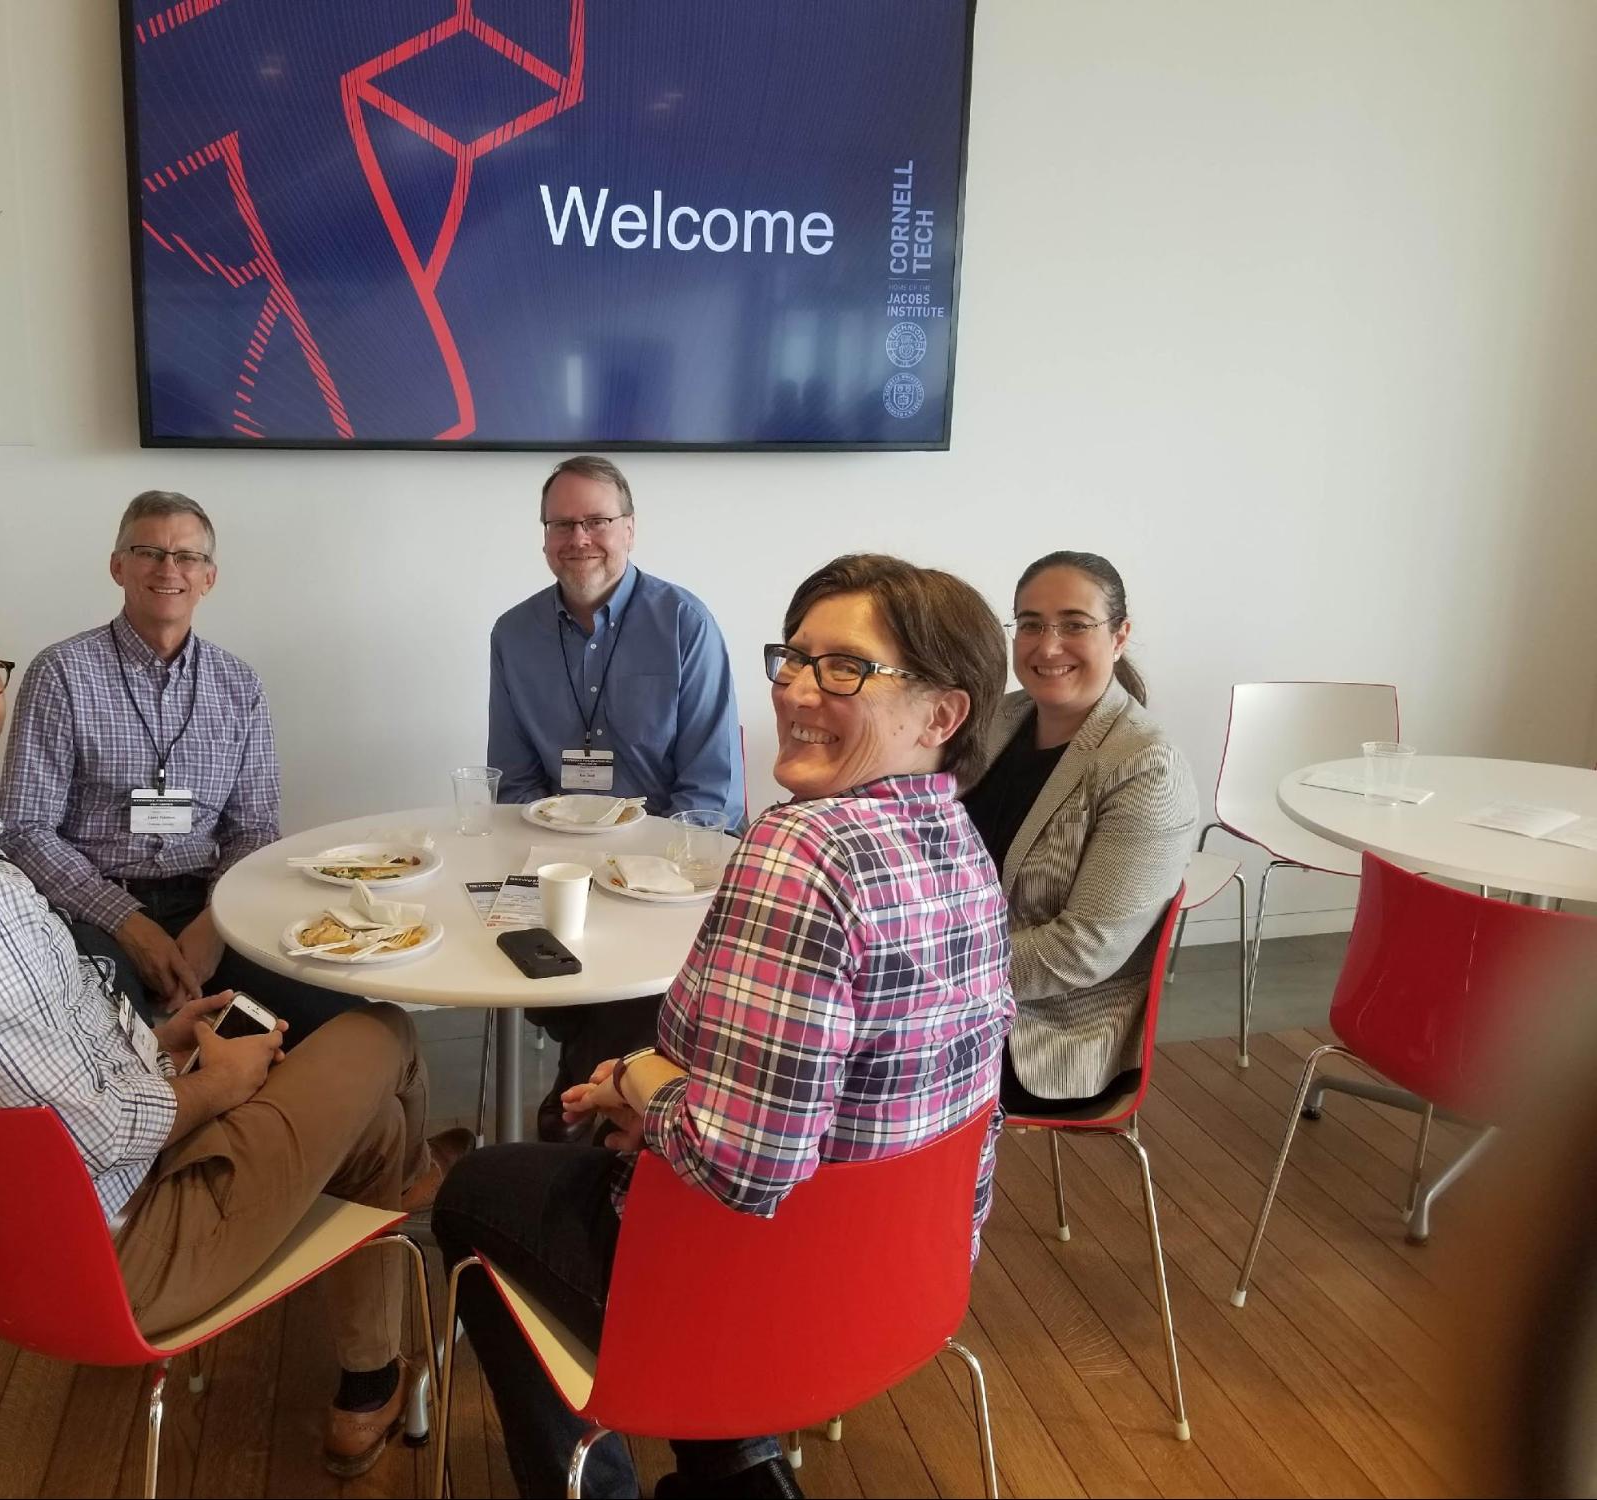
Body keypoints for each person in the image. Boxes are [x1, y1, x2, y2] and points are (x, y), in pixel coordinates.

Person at [0, 568, 469, 1477]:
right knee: (379, 1031)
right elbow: (94, 1129)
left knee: (364, 1117)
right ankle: (405, 1246)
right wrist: (216, 1084)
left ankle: (369, 1374)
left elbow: (25, 1063)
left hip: (3, 1229)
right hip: (117, 1247)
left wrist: (155, 1040)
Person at [437, 554, 1015, 1499]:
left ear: (940, 716)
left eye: (845, 669)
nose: (794, 687)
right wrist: (657, 1093)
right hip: (906, 1284)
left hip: (763, 1291)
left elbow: (744, 1168)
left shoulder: (801, 847)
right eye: (793, 658)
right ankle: (737, 1468)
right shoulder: (958, 843)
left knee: (473, 1188)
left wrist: (641, 1085)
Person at [0, 490, 351, 1043]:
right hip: (89, 908)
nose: (169, 569)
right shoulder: (62, 673)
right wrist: (128, 923)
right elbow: (25, 830)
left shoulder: (240, 685)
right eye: (150, 552)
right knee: (111, 1047)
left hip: (209, 900)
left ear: (208, 578)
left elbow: (254, 827)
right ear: (118, 567)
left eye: (187, 557)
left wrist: (216, 923)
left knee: (342, 1019)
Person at [486, 456, 746, 1140]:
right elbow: (511, 783)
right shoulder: (513, 634)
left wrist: (634, 868)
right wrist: (557, 863)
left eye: (596, 520)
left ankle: (581, 1117)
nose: (579, 538)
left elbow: (710, 796)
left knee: (614, 992)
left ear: (628, 530)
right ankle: (598, 1101)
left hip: (667, 876)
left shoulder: (684, 622)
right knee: (493, 940)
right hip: (558, 868)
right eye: (561, 523)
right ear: (543, 537)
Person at [959, 550, 1196, 1113]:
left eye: (1074, 624)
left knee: (842, 1064)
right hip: (959, 983)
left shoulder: (1145, 765)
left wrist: (939, 971)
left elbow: (1082, 951)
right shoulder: (999, 718)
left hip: (1043, 1035)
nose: (1048, 646)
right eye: (1032, 624)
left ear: (1119, 636)